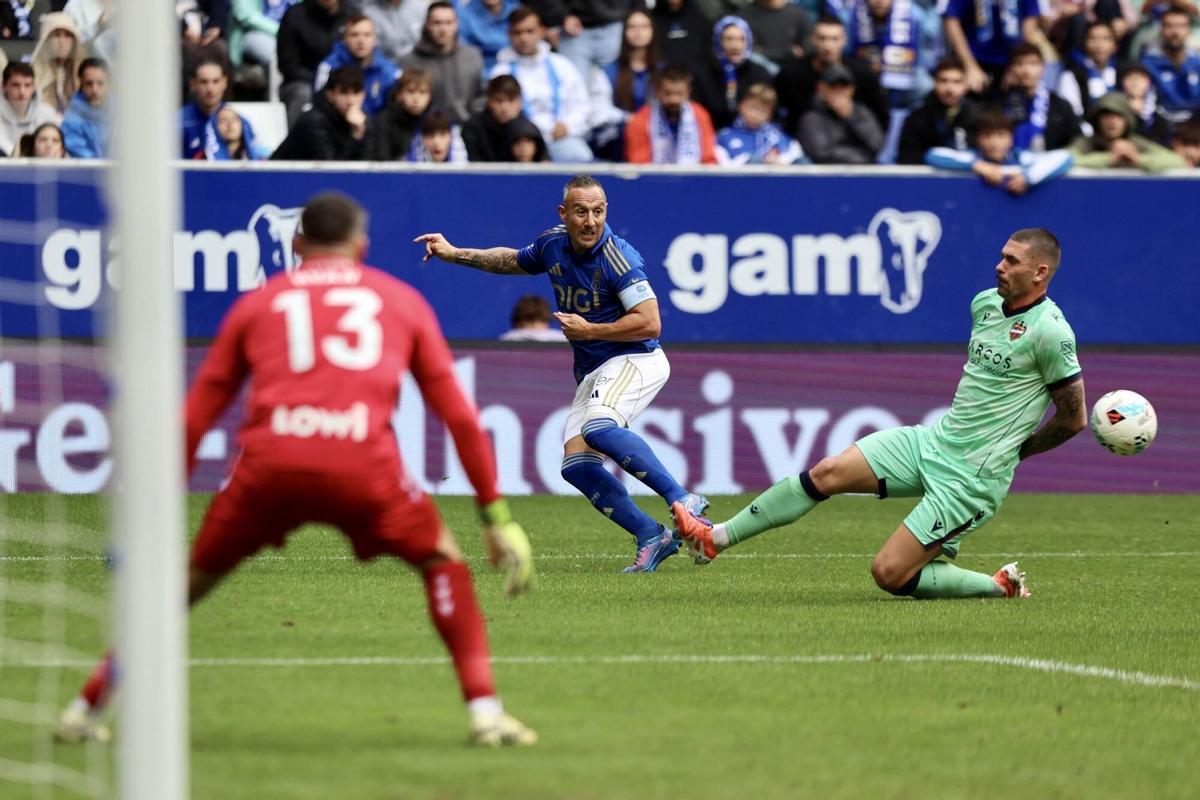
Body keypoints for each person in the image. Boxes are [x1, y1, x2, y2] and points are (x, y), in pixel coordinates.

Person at [54, 192, 537, 748]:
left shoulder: (260, 303)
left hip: (270, 470)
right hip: (365, 468)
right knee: (441, 561)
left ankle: (84, 707)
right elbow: (459, 416)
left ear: (296, 244)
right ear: (362, 246)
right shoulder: (400, 301)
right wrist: (495, 515)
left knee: (180, 587)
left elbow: (195, 417)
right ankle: (485, 712)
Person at [674, 228, 1088, 602]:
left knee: (888, 574)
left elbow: (1073, 418)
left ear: (1040, 272)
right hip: (934, 442)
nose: (999, 266)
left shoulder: (1051, 332)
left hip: (972, 479)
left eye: (1012, 261)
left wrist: (1016, 453)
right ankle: (713, 539)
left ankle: (997, 586)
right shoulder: (984, 304)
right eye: (1001, 255)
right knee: (828, 473)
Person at [415, 175, 710, 573]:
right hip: (595, 370)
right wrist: (454, 254)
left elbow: (651, 322)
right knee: (578, 466)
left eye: (599, 211)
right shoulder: (553, 243)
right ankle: (650, 534)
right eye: (581, 211)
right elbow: (510, 260)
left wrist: (590, 330)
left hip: (636, 359)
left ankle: (682, 499)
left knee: (599, 428)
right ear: (564, 213)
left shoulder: (618, 259)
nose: (591, 221)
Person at [490, 6, 594, 162]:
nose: (524, 38)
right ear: (509, 35)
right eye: (518, 33)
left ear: (542, 31)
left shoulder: (562, 65)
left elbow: (582, 105)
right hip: (520, 144)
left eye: (530, 31)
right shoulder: (500, 72)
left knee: (579, 155)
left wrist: (569, 126)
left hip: (560, 138)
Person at [774, 15, 887, 138]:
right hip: (801, 143)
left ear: (844, 40)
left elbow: (881, 117)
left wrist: (852, 114)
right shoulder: (791, 74)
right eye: (822, 38)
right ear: (813, 39)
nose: (828, 46)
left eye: (835, 39)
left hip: (852, 144)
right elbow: (779, 116)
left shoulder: (863, 74)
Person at [926, 108, 1074, 194]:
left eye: (1000, 136)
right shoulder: (972, 157)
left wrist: (1028, 178)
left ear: (1010, 139)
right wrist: (976, 166)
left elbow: (1065, 157)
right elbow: (933, 155)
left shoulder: (1022, 157)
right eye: (987, 136)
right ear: (978, 139)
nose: (994, 142)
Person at [400, 2, 485, 126]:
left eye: (448, 23)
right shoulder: (409, 62)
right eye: (437, 23)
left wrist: (473, 120)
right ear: (427, 25)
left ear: (457, 25)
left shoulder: (472, 56)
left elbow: (481, 95)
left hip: (467, 128)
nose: (443, 29)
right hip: (423, 130)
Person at [940, 0, 1042, 94]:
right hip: (974, 60)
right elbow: (952, 21)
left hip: (1011, 61)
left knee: (1015, 106)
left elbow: (1029, 26)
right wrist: (970, 66)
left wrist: (1015, 67)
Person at [1068, 90, 1187, 170]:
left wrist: (1137, 159)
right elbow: (1066, 162)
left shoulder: (1135, 142)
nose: (1112, 121)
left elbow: (1177, 161)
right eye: (1106, 115)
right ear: (1097, 120)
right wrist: (1109, 158)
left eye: (1118, 116)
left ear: (1127, 119)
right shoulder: (1086, 143)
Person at [690, 16, 774, 130]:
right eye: (729, 39)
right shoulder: (701, 74)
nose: (735, 46)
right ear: (718, 41)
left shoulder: (759, 74)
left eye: (741, 39)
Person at [278, 0, 352, 127]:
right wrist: (321, 83)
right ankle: (296, 143)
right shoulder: (295, 15)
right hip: (302, 81)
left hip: (344, 81)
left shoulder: (351, 15)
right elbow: (287, 65)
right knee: (302, 93)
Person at [271, 65, 370, 160]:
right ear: (330, 95)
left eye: (356, 93)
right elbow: (329, 172)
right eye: (344, 93)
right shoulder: (314, 122)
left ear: (363, 95)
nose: (351, 101)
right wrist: (356, 137)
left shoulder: (362, 121)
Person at [624, 66, 718, 163]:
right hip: (655, 176)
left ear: (689, 92)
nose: (674, 99)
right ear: (658, 91)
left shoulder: (700, 115)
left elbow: (709, 158)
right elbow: (639, 163)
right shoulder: (642, 119)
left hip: (693, 176)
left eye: (679, 94)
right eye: (668, 93)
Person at [998, 42, 1081, 152]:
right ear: (1011, 69)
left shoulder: (1060, 105)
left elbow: (1077, 139)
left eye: (1033, 64)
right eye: (1019, 64)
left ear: (1043, 68)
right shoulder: (999, 103)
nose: (1026, 71)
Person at [897, 56, 980, 164]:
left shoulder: (977, 117)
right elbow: (908, 159)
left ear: (966, 85)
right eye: (943, 81)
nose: (949, 88)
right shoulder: (916, 119)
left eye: (957, 82)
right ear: (934, 83)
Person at [315, 13, 401, 118]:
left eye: (367, 35)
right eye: (354, 35)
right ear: (344, 39)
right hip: (335, 126)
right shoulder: (329, 67)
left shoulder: (389, 71)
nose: (361, 41)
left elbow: (396, 110)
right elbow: (319, 103)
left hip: (376, 129)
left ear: (375, 39)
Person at [798, 62, 885, 163]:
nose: (839, 91)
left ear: (852, 89)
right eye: (833, 87)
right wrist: (858, 158)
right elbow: (820, 153)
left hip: (865, 172)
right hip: (829, 175)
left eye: (844, 87)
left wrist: (851, 118)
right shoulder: (812, 118)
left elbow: (878, 145)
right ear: (821, 88)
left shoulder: (862, 113)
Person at [715, 81, 805, 164]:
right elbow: (721, 164)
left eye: (763, 111)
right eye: (753, 107)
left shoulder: (777, 135)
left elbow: (795, 154)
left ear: (770, 114)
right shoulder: (725, 136)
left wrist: (780, 160)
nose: (756, 114)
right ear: (741, 106)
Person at [462, 73, 544, 161]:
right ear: (488, 101)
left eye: (511, 100)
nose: (504, 108)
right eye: (499, 101)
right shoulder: (473, 129)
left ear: (519, 102)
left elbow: (544, 164)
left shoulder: (529, 130)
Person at [1140, 7, 1200, 122]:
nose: (1175, 32)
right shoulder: (1147, 64)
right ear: (1161, 29)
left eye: (1181, 26)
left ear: (1189, 30)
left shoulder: (1197, 62)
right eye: (1169, 26)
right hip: (1162, 126)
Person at [1057, 20, 1120, 123]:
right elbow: (1072, 117)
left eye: (1105, 39)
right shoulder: (1072, 76)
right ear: (1084, 43)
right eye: (1093, 38)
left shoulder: (1122, 73)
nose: (1099, 45)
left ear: (1115, 45)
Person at [30, 13, 88, 118]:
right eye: (56, 36)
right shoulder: (33, 73)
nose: (62, 42)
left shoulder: (84, 71)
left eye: (67, 36)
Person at [370, 68, 434, 160]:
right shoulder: (384, 122)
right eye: (410, 91)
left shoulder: (434, 121)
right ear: (398, 95)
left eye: (422, 92)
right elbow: (382, 161)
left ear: (430, 97)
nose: (416, 98)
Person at [605, 9, 658, 115]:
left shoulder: (662, 70)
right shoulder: (609, 70)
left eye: (644, 27)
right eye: (632, 27)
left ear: (653, 31)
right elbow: (602, 109)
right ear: (624, 32)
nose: (638, 33)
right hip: (619, 128)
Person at [0, 62, 58, 158]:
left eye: (27, 85)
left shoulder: (48, 114)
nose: (22, 92)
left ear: (34, 87)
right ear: (3, 86)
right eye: (16, 85)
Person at [179, 56, 229, 159]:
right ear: (193, 84)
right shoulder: (179, 122)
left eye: (215, 81)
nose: (210, 89)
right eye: (204, 82)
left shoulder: (238, 121)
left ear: (224, 83)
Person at [738, 0, 813, 67]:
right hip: (758, 70)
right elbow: (748, 51)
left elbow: (808, 47)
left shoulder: (799, 15)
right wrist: (789, 53)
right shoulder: (743, 16)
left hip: (792, 71)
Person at [60, 56, 108, 158]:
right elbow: (85, 161)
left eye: (100, 83)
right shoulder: (70, 121)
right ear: (81, 84)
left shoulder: (125, 113)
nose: (95, 90)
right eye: (89, 84)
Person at [459, 0, 521, 76]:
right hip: (483, 75)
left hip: (520, 70)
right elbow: (466, 55)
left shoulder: (516, 8)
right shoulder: (465, 15)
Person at [364, 0, 433, 64]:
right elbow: (373, 53)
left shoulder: (422, 7)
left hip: (423, 66)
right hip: (389, 69)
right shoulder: (370, 14)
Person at [202, 105, 270, 160]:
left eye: (234, 119)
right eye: (223, 120)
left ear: (243, 125)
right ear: (214, 127)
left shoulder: (262, 156)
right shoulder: (204, 157)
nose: (229, 124)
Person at [500, 294, 566, 340]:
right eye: (529, 320)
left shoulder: (561, 339)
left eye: (541, 320)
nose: (535, 325)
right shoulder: (507, 339)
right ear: (518, 322)